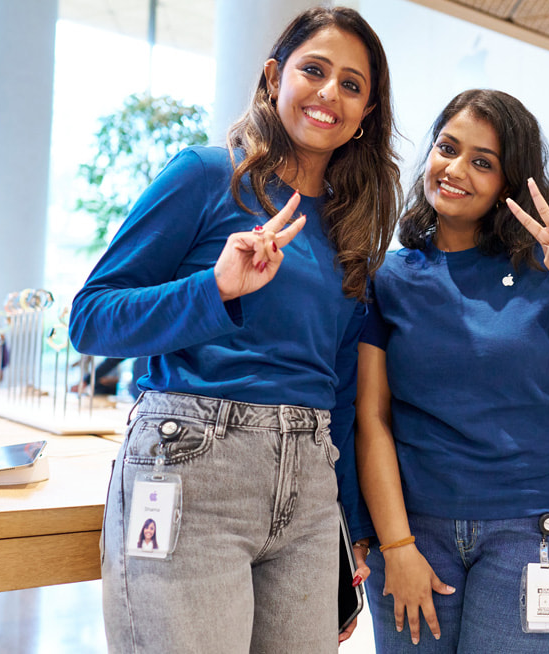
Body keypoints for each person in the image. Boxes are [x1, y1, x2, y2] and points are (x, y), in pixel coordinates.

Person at [68, 7, 400, 652]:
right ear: (275, 76)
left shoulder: (351, 227)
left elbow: (338, 392)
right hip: (192, 466)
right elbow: (92, 318)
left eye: (352, 85)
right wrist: (213, 288)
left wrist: (348, 524)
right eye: (314, 70)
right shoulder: (204, 174)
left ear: (366, 112)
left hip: (308, 488)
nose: (330, 92)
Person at [356, 89, 549, 653]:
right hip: (418, 535)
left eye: (483, 162)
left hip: (541, 530)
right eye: (447, 148)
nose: (455, 170)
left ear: (510, 182)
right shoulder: (390, 277)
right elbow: (372, 419)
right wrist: (396, 545)